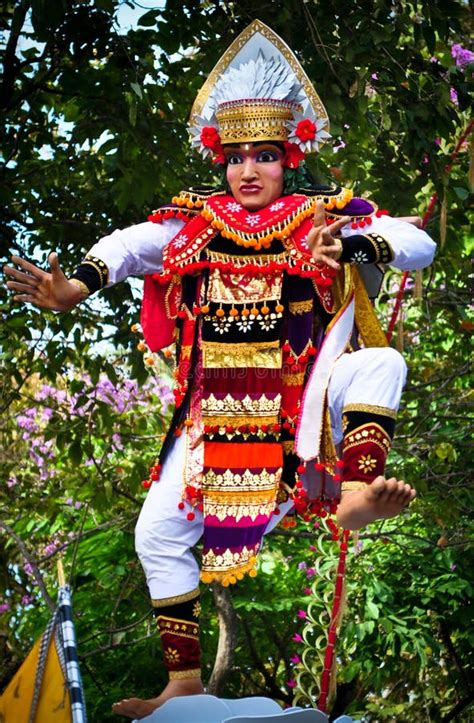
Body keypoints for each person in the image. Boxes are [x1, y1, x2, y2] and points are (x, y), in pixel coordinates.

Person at [4, 20, 436, 720]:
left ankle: (355, 489)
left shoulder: (321, 216)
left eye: (264, 155)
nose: (248, 170)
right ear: (220, 159)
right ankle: (183, 682)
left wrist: (356, 243)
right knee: (154, 532)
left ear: (288, 158)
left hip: (302, 415)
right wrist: (76, 287)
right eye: (236, 156)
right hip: (216, 422)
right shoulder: (194, 223)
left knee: (382, 361)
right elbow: (129, 245)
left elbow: (419, 242)